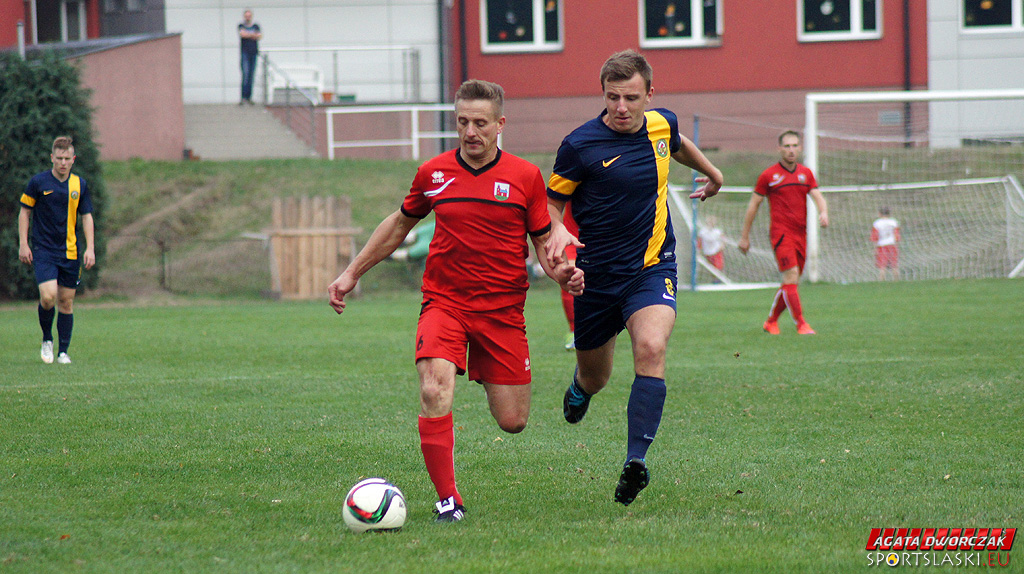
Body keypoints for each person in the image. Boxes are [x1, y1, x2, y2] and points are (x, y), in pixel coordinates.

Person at [328, 79, 583, 523]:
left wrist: (559, 270)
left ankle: (484, 370)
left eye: (481, 123)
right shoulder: (434, 172)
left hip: (503, 312)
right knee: (433, 388)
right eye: (462, 122)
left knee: (513, 421)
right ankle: (449, 500)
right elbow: (398, 226)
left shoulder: (524, 176)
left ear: (500, 124)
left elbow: (545, 241)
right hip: (444, 303)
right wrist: (352, 272)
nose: (470, 132)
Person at [545, 50, 723, 506]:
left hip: (652, 266)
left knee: (651, 347)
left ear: (649, 95)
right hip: (596, 279)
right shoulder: (579, 145)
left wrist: (712, 173)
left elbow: (677, 143)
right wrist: (559, 233)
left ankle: (635, 461)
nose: (621, 107)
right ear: (602, 95)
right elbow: (549, 205)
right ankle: (580, 388)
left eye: (631, 97)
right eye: (612, 97)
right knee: (597, 377)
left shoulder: (661, 123)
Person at [738, 130, 829, 335]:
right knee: (791, 277)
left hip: (801, 235)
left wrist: (823, 212)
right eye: (787, 146)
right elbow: (753, 206)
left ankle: (771, 322)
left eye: (795, 145)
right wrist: (745, 237)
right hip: (781, 235)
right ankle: (801, 324)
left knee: (791, 282)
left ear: (800, 147)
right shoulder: (769, 176)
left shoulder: (806, 173)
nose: (791, 150)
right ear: (779, 148)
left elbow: (817, 195)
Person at [18, 136, 95, 364]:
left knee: (66, 302)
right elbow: (24, 212)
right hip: (44, 250)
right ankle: (47, 339)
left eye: (66, 158)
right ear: (52, 158)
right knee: (49, 297)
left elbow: (87, 216)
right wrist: (24, 243)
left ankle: (63, 352)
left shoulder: (79, 185)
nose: (62, 162)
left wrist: (90, 248)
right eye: (58, 158)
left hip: (70, 252)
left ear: (73, 160)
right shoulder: (38, 182)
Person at [559, 205, 579, 350]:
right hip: (572, 234)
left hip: (602, 236)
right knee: (570, 275)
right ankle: (574, 331)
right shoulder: (569, 181)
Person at [238, 9, 262, 105]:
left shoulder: (256, 26)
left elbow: (259, 36)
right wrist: (253, 35)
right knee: (245, 74)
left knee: (251, 75)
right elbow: (242, 34)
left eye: (249, 16)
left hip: (253, 53)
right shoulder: (241, 26)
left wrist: (249, 35)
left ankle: (249, 97)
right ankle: (243, 97)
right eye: (246, 16)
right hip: (245, 53)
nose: (248, 17)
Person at [872, 207, 900, 281]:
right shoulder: (894, 222)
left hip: (881, 246)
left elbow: (875, 237)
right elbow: (897, 236)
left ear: (880, 214)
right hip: (892, 245)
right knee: (894, 265)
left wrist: (875, 249)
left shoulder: (877, 223)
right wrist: (897, 245)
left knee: (882, 266)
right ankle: (897, 282)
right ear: (889, 214)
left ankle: (882, 282)